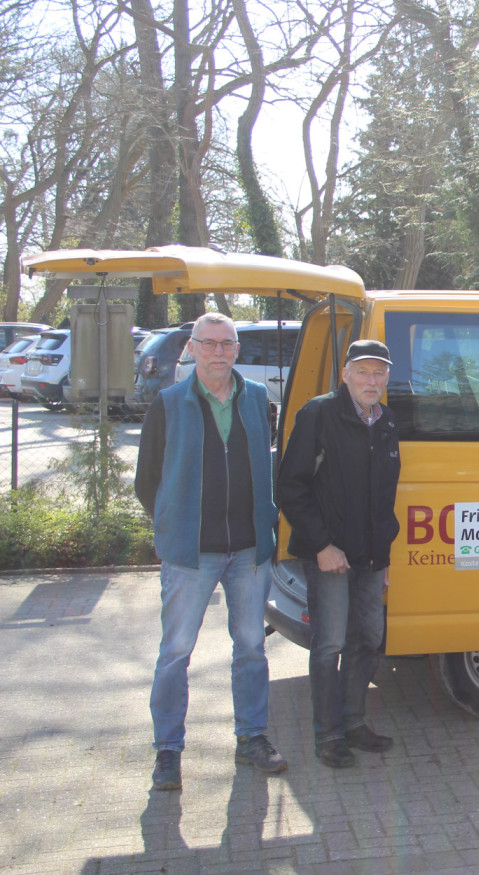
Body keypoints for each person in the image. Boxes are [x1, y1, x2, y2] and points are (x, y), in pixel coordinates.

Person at [135, 313, 286, 791]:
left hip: (248, 551)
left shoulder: (260, 400)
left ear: (237, 350)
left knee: (251, 648)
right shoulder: (168, 403)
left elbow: (268, 470)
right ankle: (167, 752)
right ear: (192, 349)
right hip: (189, 553)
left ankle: (252, 739)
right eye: (209, 343)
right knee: (175, 652)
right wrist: (170, 526)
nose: (219, 352)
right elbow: (148, 480)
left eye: (227, 344)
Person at [278, 340, 402, 769]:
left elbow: (384, 497)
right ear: (345, 374)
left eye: (379, 373)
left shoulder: (386, 421)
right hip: (329, 553)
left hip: (370, 556)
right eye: (363, 371)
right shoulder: (319, 414)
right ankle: (328, 735)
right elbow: (290, 487)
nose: (372, 380)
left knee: (367, 639)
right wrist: (321, 546)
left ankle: (353, 723)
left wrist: (383, 559)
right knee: (329, 644)